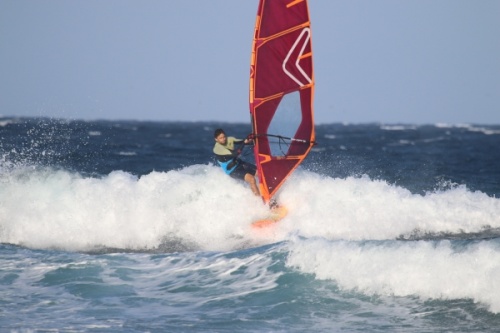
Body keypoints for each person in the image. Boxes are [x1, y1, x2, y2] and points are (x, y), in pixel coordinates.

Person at [213, 128, 260, 196]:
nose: (223, 139)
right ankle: (259, 201)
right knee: (252, 179)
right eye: (220, 138)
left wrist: (251, 139)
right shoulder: (218, 149)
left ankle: (267, 192)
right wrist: (244, 143)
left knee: (259, 172)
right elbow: (235, 154)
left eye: (224, 137)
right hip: (232, 170)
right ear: (216, 139)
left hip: (239, 163)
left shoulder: (229, 140)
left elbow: (242, 141)